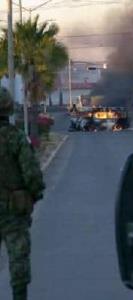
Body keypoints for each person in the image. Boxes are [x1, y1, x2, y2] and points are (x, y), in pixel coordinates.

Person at [0, 88, 45, 300]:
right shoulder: (16, 138)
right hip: (13, 210)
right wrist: (33, 196)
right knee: (18, 258)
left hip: (12, 207)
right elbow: (32, 174)